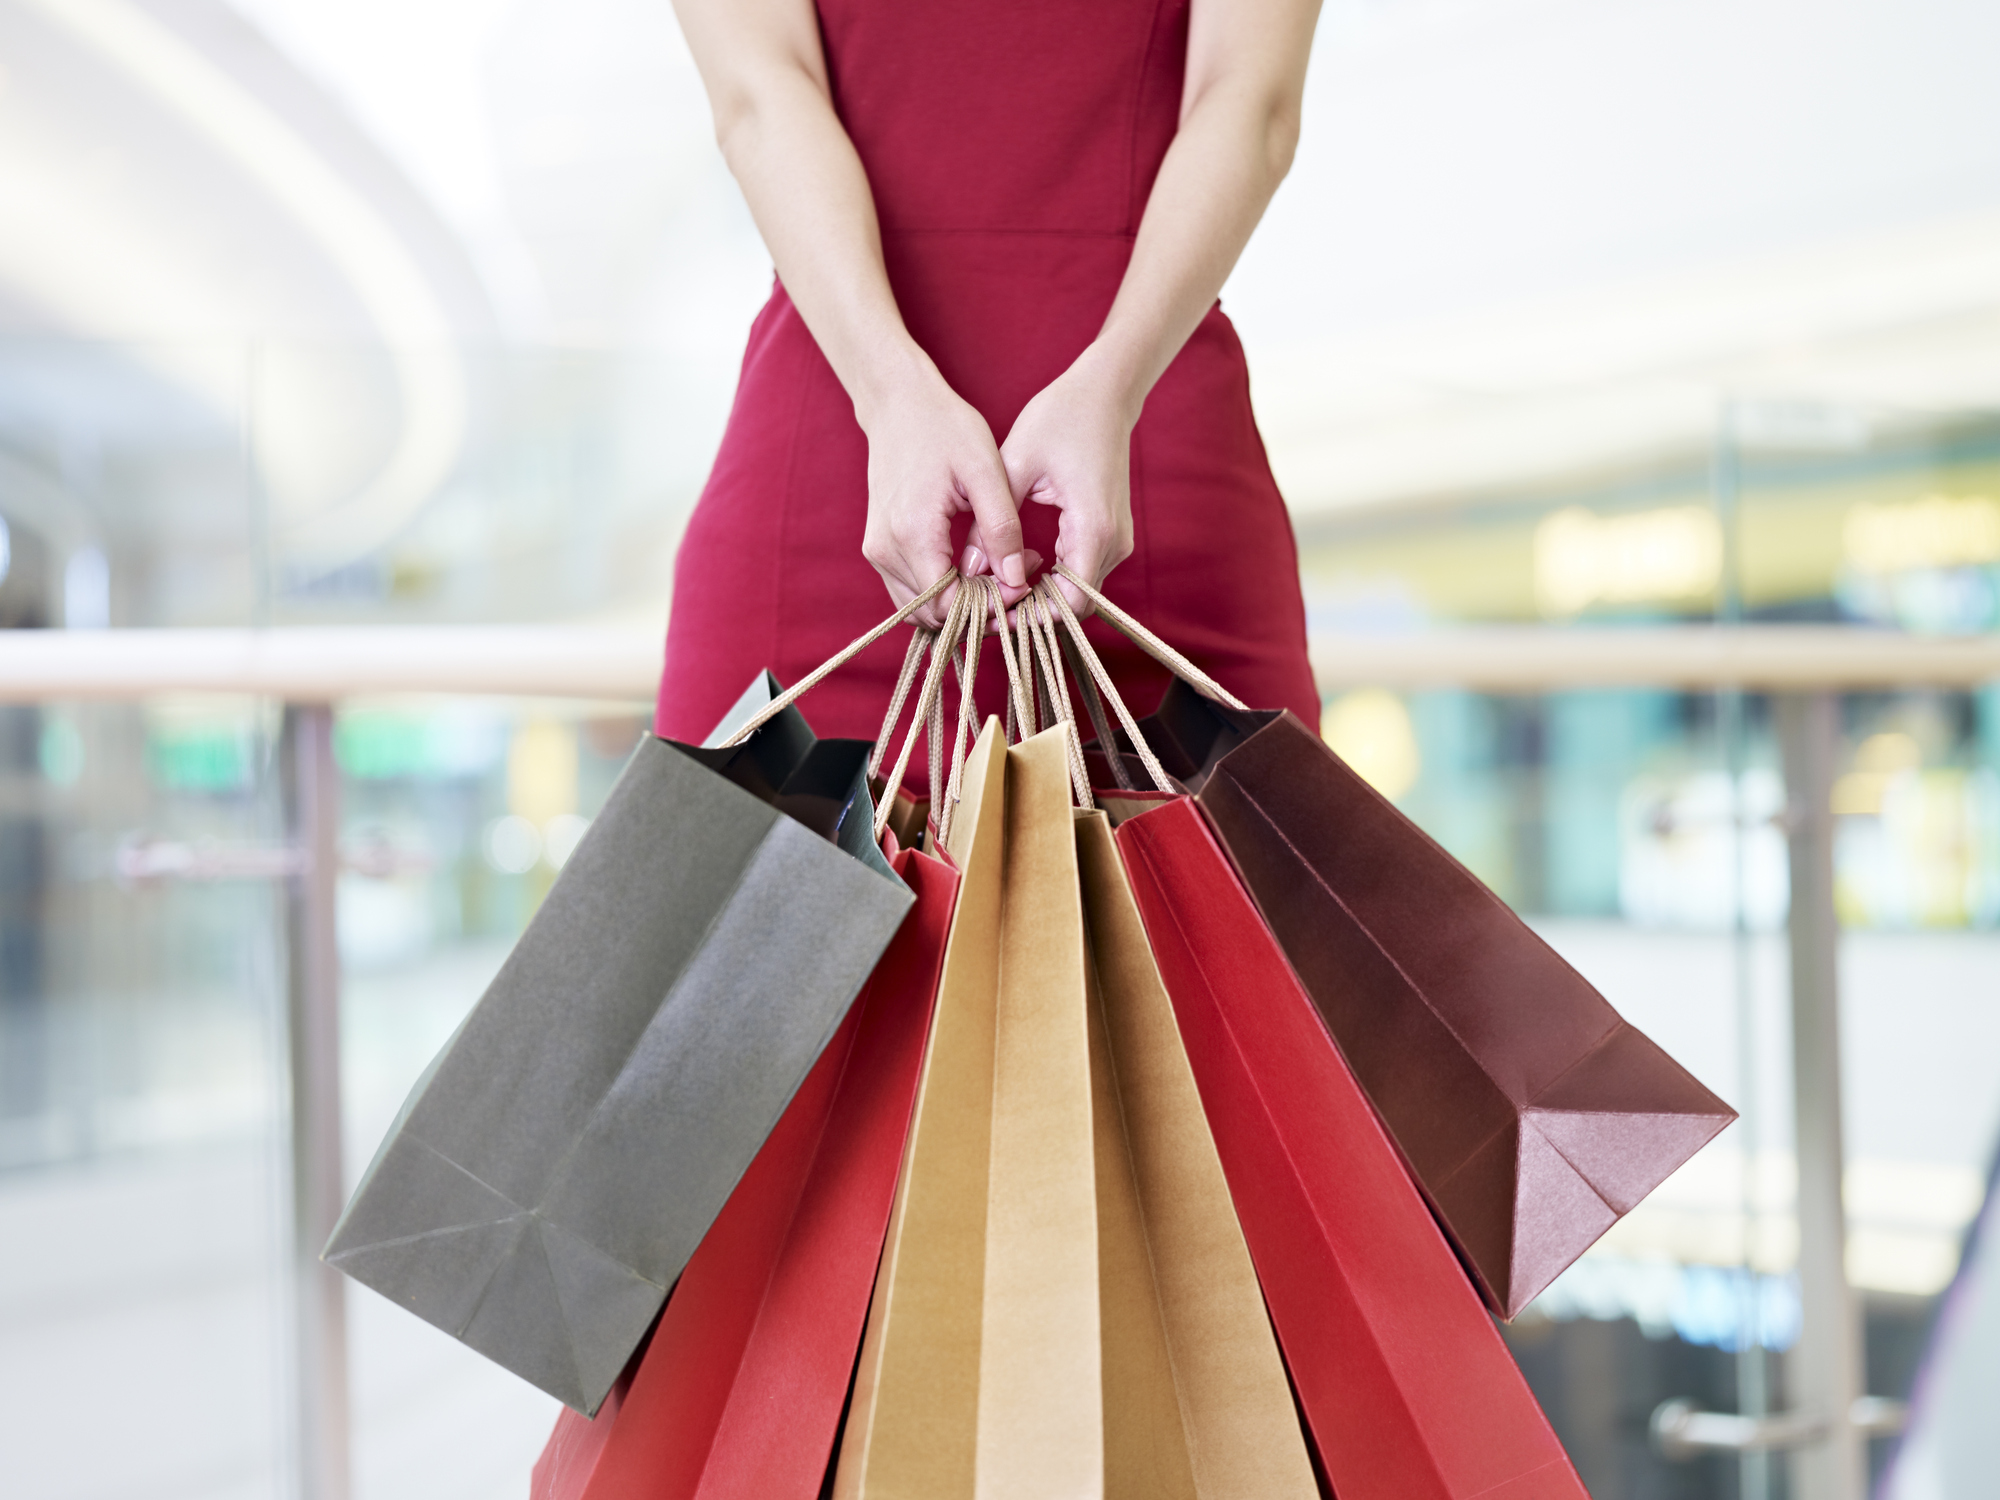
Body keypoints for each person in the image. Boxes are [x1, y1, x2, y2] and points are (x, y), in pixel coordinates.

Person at [655, 0, 1324, 764]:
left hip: (1149, 511)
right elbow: (759, 97)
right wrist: (894, 393)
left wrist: (1109, 385)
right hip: (834, 510)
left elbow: (1252, 102)